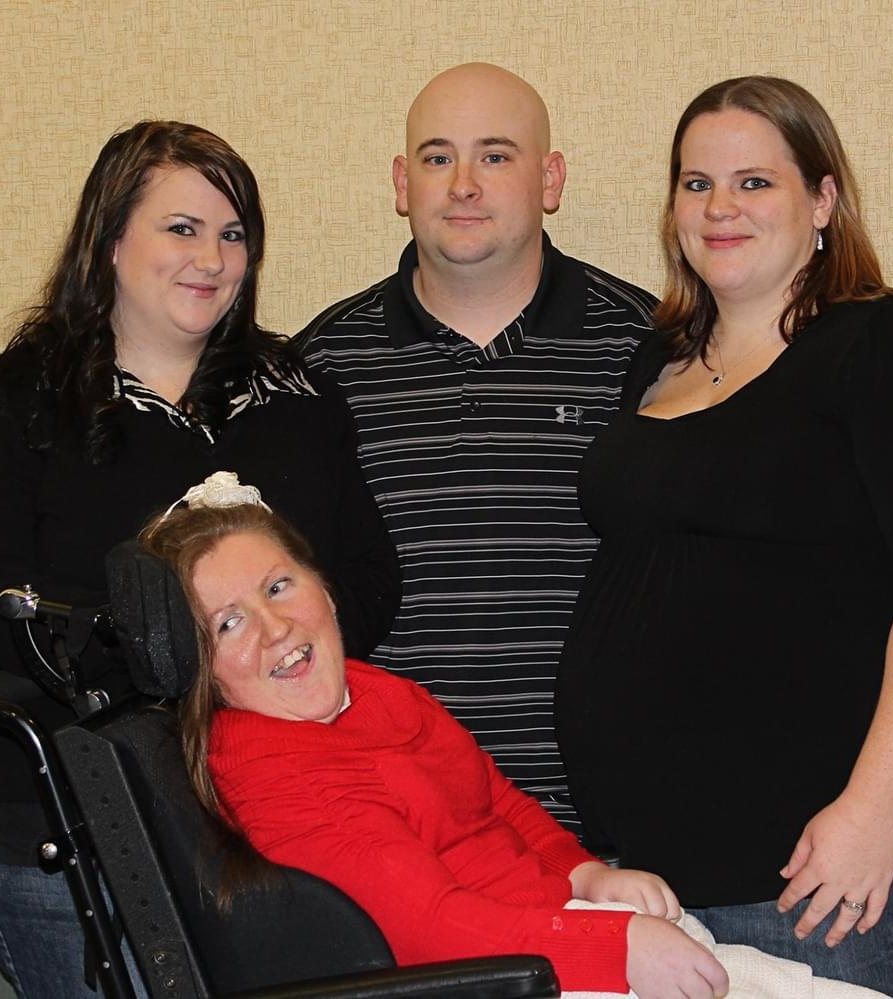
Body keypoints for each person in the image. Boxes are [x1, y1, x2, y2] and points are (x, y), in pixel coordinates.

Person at [554, 76, 893, 999]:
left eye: (755, 182)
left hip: (814, 870)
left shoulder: (884, 347)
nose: (720, 207)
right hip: (661, 869)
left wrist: (869, 814)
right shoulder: (661, 358)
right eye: (696, 183)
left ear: (823, 199)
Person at [0, 121, 399, 997]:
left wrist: (273, 642)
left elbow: (369, 583)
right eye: (182, 228)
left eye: (233, 234)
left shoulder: (299, 397)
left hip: (275, 820)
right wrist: (162, 638)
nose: (211, 258)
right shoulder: (19, 399)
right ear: (108, 242)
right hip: (71, 829)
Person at [137, 481, 887, 999]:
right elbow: (424, 928)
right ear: (202, 665)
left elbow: (493, 800)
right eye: (227, 623)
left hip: (552, 933)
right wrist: (613, 947)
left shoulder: (371, 689)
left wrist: (584, 875)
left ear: (323, 588)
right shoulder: (273, 764)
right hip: (501, 976)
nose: (275, 629)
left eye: (278, 586)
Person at [295, 63, 654, 833]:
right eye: (436, 157)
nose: (463, 183)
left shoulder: (652, 350)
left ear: (550, 178)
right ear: (402, 183)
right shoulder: (316, 370)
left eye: (495, 155)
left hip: (609, 823)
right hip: (396, 823)